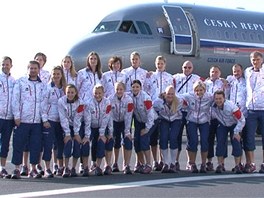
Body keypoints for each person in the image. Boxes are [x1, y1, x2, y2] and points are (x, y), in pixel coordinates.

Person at [11, 60, 46, 179]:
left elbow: (44, 103)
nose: (33, 70)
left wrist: (44, 119)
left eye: (35, 68)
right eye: (31, 68)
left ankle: (33, 169)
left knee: (35, 145)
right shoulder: (21, 82)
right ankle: (17, 168)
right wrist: (16, 116)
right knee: (18, 144)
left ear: (38, 69)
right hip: (22, 120)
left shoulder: (42, 85)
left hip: (36, 121)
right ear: (28, 69)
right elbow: (15, 100)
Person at [145, 55, 174, 171]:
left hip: (165, 109)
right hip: (154, 109)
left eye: (161, 63)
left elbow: (173, 91)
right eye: (158, 63)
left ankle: (163, 160)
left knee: (163, 136)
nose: (159, 65)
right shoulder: (150, 76)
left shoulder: (170, 77)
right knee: (153, 137)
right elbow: (147, 90)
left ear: (165, 64)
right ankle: (155, 161)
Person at [173, 60, 201, 171]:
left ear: (192, 68)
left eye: (189, 67)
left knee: (192, 137)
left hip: (191, 112)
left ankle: (191, 162)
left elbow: (207, 84)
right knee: (177, 137)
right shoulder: (175, 78)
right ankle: (175, 161)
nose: (187, 69)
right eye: (185, 67)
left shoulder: (197, 79)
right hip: (178, 111)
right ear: (182, 67)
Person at [181, 81, 213, 173]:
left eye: (201, 90)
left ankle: (203, 164)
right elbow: (178, 96)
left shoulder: (210, 97)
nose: (199, 92)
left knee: (204, 141)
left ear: (204, 90)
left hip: (204, 121)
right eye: (197, 90)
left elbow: (221, 98)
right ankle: (192, 163)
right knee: (193, 141)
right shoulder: (189, 95)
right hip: (192, 120)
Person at [211, 90, 245, 174]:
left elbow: (242, 120)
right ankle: (220, 164)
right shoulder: (212, 105)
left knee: (236, 142)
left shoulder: (231, 107)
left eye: (220, 99)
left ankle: (237, 165)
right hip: (222, 124)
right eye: (216, 99)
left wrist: (237, 131)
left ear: (224, 98)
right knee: (220, 142)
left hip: (234, 124)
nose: (218, 101)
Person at [41, 66, 66, 178]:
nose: (56, 76)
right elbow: (43, 104)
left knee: (60, 145)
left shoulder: (64, 88)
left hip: (61, 121)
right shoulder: (47, 88)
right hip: (50, 120)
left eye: (58, 74)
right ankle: (47, 168)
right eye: (54, 74)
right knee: (48, 145)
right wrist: (45, 120)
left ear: (61, 75)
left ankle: (60, 166)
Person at [58, 84, 87, 177]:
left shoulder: (80, 102)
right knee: (68, 143)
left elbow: (78, 118)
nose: (70, 94)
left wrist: (76, 133)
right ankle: (66, 167)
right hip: (66, 125)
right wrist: (67, 133)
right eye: (68, 92)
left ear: (76, 93)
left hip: (77, 126)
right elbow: (63, 118)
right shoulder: (61, 101)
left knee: (77, 144)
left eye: (72, 92)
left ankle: (74, 167)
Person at [153, 85, 183, 173]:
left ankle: (173, 163)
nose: (170, 96)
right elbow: (152, 109)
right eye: (168, 94)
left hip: (176, 119)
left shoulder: (179, 101)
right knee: (163, 138)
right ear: (165, 94)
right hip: (164, 119)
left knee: (173, 138)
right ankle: (165, 162)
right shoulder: (158, 102)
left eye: (172, 94)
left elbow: (187, 107)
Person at [244, 51, 264, 173]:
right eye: (253, 59)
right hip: (251, 109)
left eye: (257, 59)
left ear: (261, 60)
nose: (255, 61)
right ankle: (251, 163)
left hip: (263, 109)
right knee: (249, 137)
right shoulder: (248, 71)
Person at [204, 65, 226, 171]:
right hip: (209, 116)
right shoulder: (205, 84)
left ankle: (221, 163)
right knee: (209, 140)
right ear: (209, 73)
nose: (214, 73)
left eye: (216, 72)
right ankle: (209, 162)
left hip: (220, 116)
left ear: (220, 73)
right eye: (212, 72)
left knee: (221, 140)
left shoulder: (223, 83)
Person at [109, 82, 134, 174]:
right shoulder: (110, 99)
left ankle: (126, 164)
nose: (119, 91)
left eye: (121, 89)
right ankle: (114, 163)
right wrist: (111, 130)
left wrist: (127, 131)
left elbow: (129, 115)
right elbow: (109, 115)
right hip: (114, 121)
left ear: (124, 90)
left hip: (124, 121)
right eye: (117, 89)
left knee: (127, 141)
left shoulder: (129, 99)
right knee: (115, 142)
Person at [130, 80, 154, 174]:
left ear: (140, 88)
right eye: (133, 87)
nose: (135, 89)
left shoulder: (146, 98)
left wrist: (147, 128)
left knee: (144, 139)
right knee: (136, 142)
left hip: (150, 121)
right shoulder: (130, 96)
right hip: (139, 121)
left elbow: (150, 114)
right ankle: (142, 163)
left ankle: (149, 164)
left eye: (137, 87)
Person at [88, 84, 112, 176]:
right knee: (91, 144)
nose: (97, 95)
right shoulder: (89, 103)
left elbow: (107, 118)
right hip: (92, 127)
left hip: (103, 126)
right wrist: (87, 135)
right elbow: (87, 120)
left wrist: (106, 133)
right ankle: (91, 165)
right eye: (95, 93)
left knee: (104, 142)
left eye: (99, 93)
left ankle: (105, 165)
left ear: (103, 93)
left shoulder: (107, 102)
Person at [0, 56, 15, 178]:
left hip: (9, 118)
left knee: (5, 144)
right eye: (3, 64)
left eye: (7, 64)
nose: (5, 66)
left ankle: (2, 168)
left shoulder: (14, 81)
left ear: (11, 65)